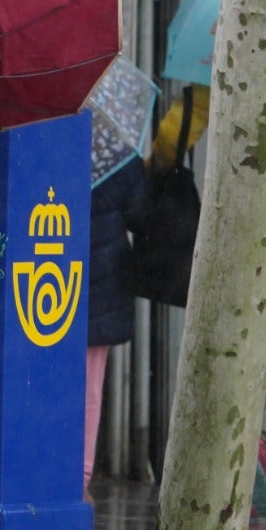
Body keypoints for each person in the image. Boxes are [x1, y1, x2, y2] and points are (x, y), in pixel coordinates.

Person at [83, 156, 149, 496]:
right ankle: (81, 477)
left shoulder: (51, 141)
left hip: (50, 280)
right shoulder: (118, 156)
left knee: (49, 382)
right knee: (90, 389)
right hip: (103, 285)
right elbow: (141, 215)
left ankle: (46, 466)